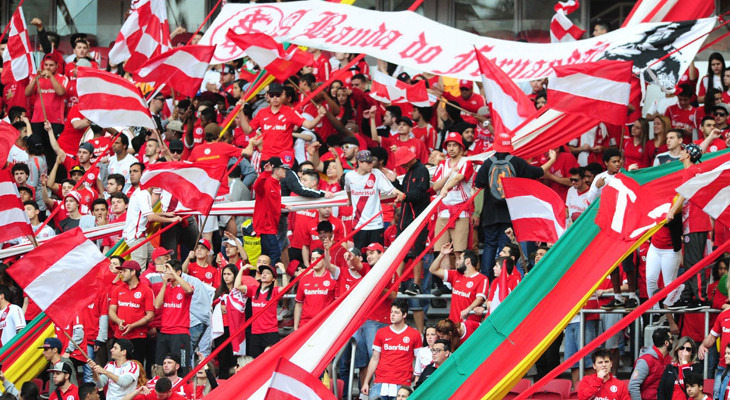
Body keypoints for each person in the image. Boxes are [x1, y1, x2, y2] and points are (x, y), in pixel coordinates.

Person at [473, 137, 556, 278]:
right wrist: (552, 159)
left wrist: (477, 212)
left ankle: (486, 280)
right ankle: (505, 278)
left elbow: (477, 184)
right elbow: (538, 172)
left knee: (489, 246)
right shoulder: (516, 162)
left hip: (490, 214)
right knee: (505, 247)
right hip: (509, 213)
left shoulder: (488, 163)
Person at [237, 82, 326, 159]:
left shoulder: (290, 112)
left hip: (285, 157)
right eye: (272, 95)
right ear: (267, 96)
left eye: (278, 95)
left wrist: (319, 116)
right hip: (267, 157)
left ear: (282, 95)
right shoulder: (262, 113)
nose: (275, 98)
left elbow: (309, 125)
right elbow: (247, 130)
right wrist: (240, 112)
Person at [362, 299, 422, 400]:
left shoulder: (414, 334)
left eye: (396, 312)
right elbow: (375, 358)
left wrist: (414, 378)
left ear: (404, 315)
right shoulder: (381, 332)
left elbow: (419, 359)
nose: (392, 315)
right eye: (391, 312)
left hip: (402, 383)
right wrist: (366, 382)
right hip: (380, 382)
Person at [390, 147, 430, 296]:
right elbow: (404, 192)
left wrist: (405, 196)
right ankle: (397, 283)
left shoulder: (422, 170)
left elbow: (421, 192)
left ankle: (416, 284)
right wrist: (394, 182)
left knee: (416, 251)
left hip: (417, 217)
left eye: (404, 162)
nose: (403, 165)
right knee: (401, 252)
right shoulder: (409, 172)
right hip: (406, 217)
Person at [345, 150, 405, 249]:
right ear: (360, 163)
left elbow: (391, 189)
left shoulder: (376, 173)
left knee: (377, 256)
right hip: (358, 224)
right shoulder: (349, 176)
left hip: (376, 224)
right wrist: (350, 200)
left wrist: (400, 194)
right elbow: (347, 189)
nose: (371, 164)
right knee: (360, 257)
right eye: (368, 162)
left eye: (371, 161)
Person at [431, 132, 475, 258]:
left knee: (459, 252)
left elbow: (459, 178)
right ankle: (445, 278)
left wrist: (446, 188)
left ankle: (458, 277)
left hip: (461, 212)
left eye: (454, 145)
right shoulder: (442, 164)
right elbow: (435, 187)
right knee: (441, 252)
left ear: (461, 148)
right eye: (449, 145)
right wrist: (448, 175)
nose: (451, 148)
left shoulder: (466, 162)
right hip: (443, 211)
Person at [108, 261, 155, 364]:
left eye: (124, 271)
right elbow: (111, 310)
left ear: (133, 272)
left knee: (136, 367)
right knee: (115, 366)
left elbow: (150, 315)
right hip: (119, 336)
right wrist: (118, 320)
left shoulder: (146, 290)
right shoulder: (118, 289)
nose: (121, 273)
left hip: (138, 337)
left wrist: (133, 325)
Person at [429, 244, 487, 324]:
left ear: (467, 261)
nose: (457, 262)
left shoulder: (482, 278)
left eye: (459, 259)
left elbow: (480, 299)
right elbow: (433, 270)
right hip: (453, 324)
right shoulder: (455, 274)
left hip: (469, 325)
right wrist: (442, 254)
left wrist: (468, 309)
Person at [153, 262, 194, 373]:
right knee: (161, 366)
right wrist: (164, 284)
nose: (166, 274)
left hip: (180, 333)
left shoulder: (185, 286)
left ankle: (182, 388)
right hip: (164, 332)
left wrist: (175, 275)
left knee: (181, 366)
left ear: (178, 272)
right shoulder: (165, 288)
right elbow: (157, 305)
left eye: (169, 271)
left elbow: (189, 290)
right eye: (165, 271)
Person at [238, 263, 281, 357]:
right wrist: (242, 270)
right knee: (255, 360)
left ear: (273, 279)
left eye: (267, 273)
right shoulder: (253, 289)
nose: (264, 274)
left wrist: (284, 272)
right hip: (255, 332)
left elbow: (286, 289)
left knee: (272, 361)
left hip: (271, 332)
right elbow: (237, 286)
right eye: (263, 273)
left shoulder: (274, 291)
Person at [253, 157, 288, 265]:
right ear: (276, 171)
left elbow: (270, 200)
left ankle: (263, 276)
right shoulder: (267, 182)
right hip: (266, 226)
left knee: (267, 255)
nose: (285, 170)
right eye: (283, 168)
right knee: (274, 254)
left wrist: (283, 205)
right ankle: (269, 276)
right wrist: (265, 173)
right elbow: (257, 187)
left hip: (270, 225)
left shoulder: (276, 183)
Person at [294, 246, 338, 330]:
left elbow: (337, 305)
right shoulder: (304, 279)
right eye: (312, 259)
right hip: (305, 324)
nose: (314, 261)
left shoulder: (332, 278)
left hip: (325, 324)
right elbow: (299, 304)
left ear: (324, 260)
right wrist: (295, 326)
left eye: (317, 258)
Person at [629, 328, 673, 400]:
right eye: (672, 338)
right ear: (666, 343)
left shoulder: (669, 360)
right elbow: (633, 385)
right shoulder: (646, 360)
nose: (673, 341)